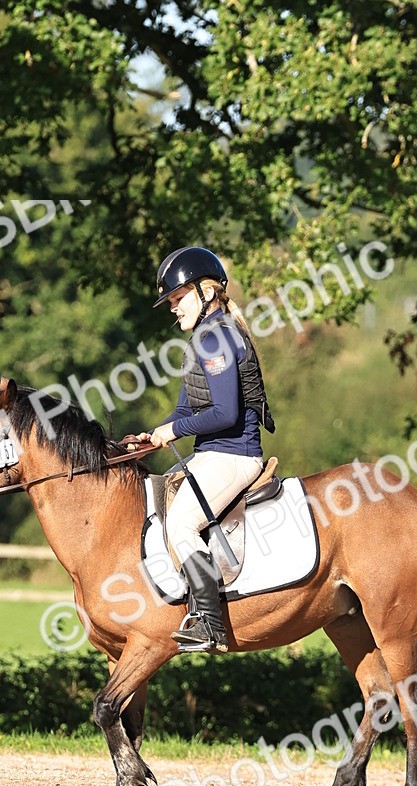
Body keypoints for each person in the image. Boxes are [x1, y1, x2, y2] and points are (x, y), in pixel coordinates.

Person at [127, 245, 276, 653]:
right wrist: (151, 436)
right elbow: (184, 409)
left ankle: (210, 623)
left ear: (205, 292)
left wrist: (173, 431)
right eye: (171, 302)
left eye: (177, 299)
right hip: (212, 453)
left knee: (180, 526)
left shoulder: (217, 338)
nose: (173, 308)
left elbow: (226, 414)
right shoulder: (202, 339)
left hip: (234, 456)